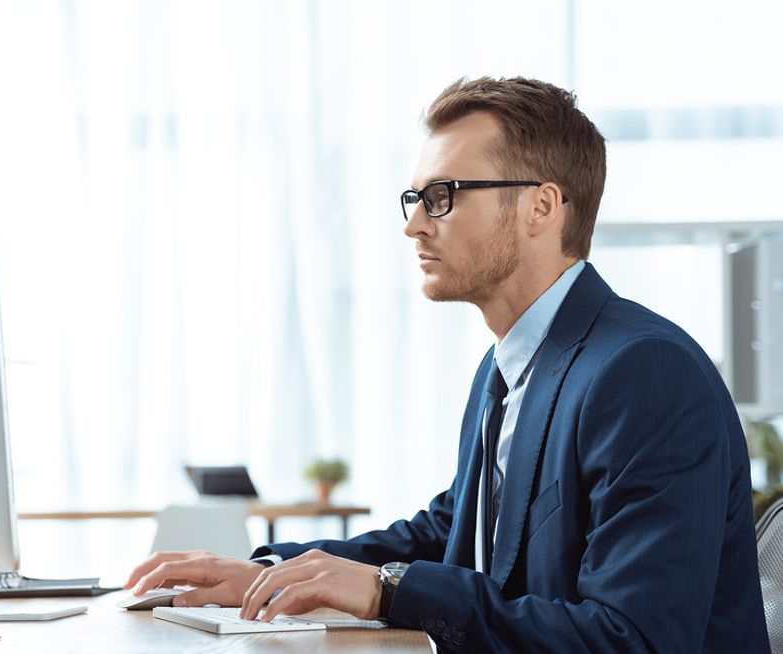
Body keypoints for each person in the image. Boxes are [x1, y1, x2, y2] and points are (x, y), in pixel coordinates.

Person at [125, 77, 770, 652]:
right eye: (415, 198)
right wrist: (270, 569)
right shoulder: (506, 371)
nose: (415, 226)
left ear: (541, 206)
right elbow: (450, 532)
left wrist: (389, 592)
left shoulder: (644, 373)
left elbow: (634, 639)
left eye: (444, 196)